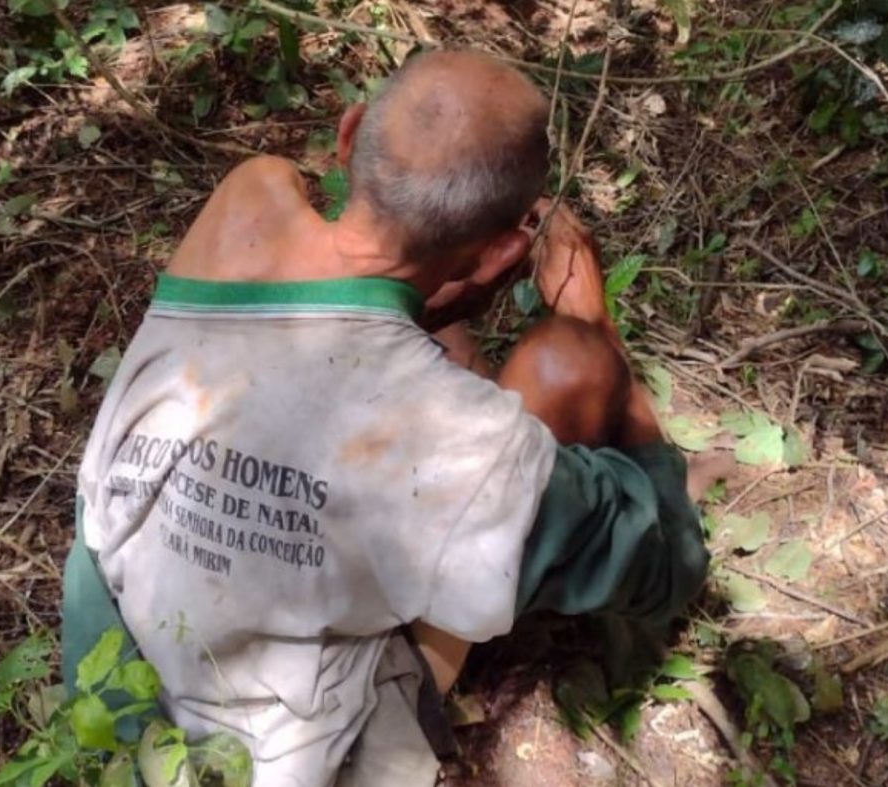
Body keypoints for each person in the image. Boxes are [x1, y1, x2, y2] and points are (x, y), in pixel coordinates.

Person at [62, 49, 711, 787]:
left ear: (348, 135)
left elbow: (335, 322)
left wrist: (439, 305)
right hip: (257, 763)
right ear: (504, 247)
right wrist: (594, 320)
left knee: (451, 347)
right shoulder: (472, 446)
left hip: (113, 677)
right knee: (569, 365)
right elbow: (670, 565)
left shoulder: (247, 197)